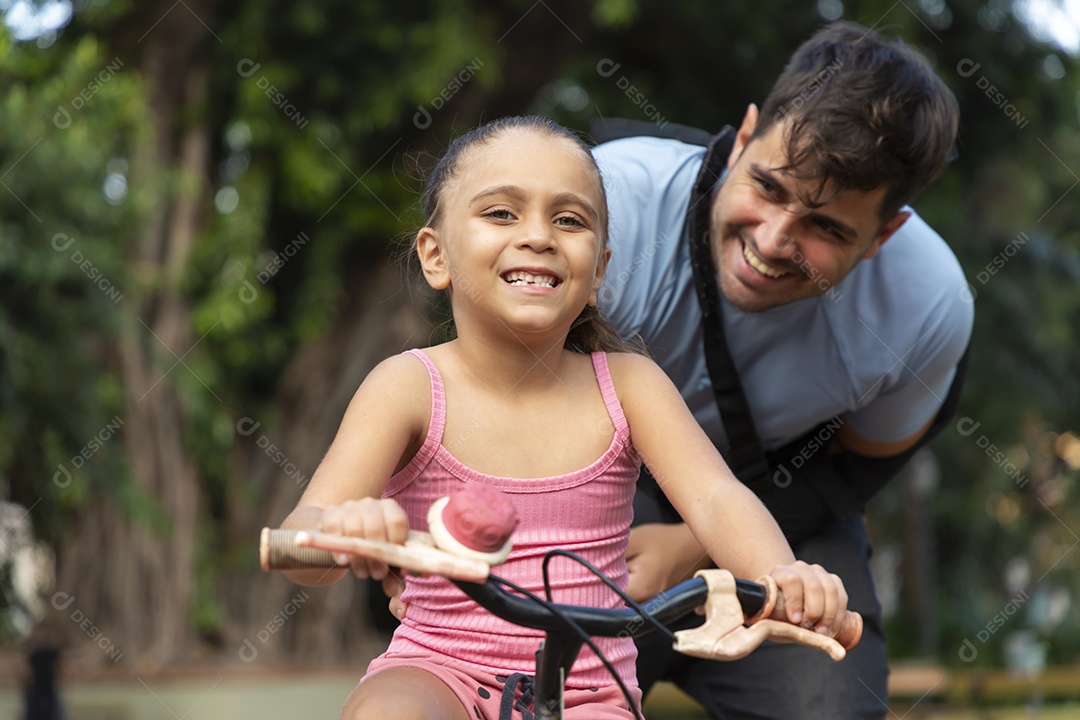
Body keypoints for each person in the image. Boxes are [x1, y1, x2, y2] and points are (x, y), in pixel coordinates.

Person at [279, 115, 853, 720]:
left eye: (569, 219)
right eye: (501, 213)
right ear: (435, 255)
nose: (538, 236)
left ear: (599, 271)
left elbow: (715, 498)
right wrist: (343, 531)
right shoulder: (408, 386)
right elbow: (300, 542)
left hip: (590, 689)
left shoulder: (629, 385)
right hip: (437, 668)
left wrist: (783, 575)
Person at [591, 21, 972, 719]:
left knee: (824, 700)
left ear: (887, 233)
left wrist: (696, 547)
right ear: (743, 137)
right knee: (538, 674)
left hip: (781, 493)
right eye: (766, 187)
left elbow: (856, 469)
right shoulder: (608, 202)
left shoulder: (928, 305)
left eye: (826, 229)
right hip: (596, 470)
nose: (770, 243)